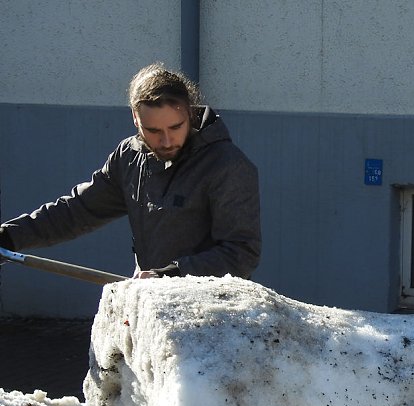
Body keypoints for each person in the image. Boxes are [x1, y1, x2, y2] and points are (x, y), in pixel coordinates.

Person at [0, 63, 261, 279]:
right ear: (135, 119)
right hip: (148, 306)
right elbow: (77, 211)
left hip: (212, 315)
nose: (167, 141)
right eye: (154, 131)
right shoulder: (129, 157)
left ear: (190, 114)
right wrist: (9, 237)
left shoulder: (227, 165)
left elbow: (241, 253)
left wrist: (171, 275)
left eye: (175, 127)